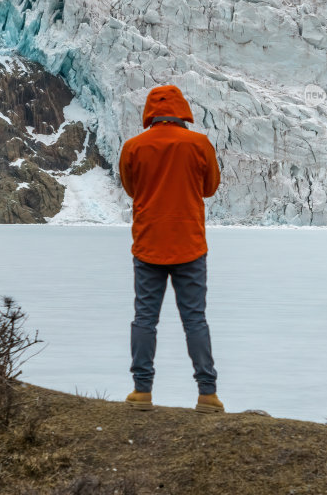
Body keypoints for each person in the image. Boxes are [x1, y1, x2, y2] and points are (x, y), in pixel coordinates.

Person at [119, 84, 223, 413]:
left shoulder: (133, 147)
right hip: (189, 244)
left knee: (144, 319)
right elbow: (210, 188)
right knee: (195, 320)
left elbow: (131, 188)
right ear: (182, 110)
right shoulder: (199, 144)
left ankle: (142, 391)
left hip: (148, 243)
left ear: (151, 111)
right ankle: (207, 394)